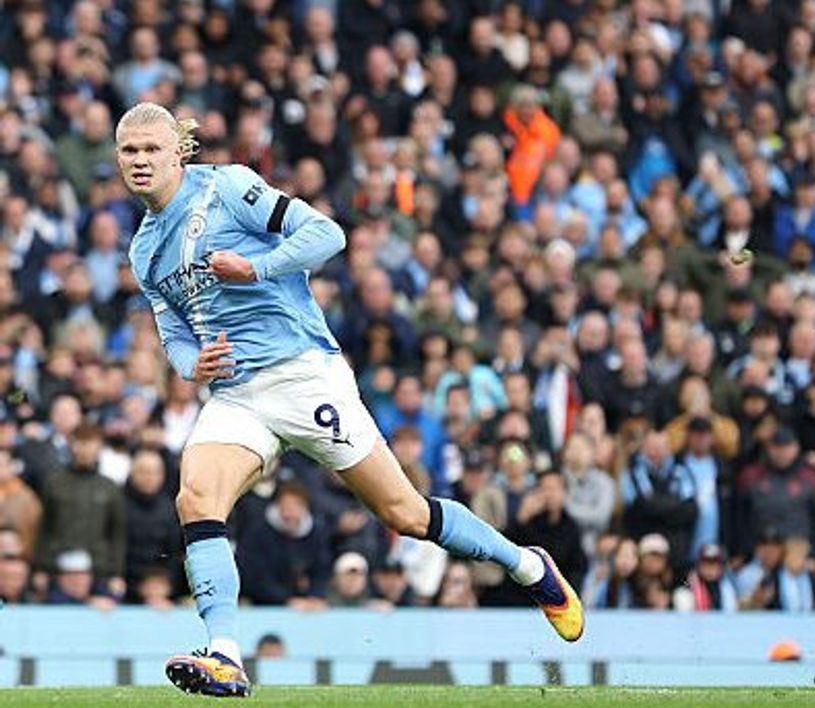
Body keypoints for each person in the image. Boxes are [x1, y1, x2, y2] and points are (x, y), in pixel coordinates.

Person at [118, 102, 583, 698]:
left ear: (178, 151)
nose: (139, 161)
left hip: (303, 375)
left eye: (151, 149)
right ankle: (226, 655)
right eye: (129, 151)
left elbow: (327, 235)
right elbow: (173, 334)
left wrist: (256, 269)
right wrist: (192, 365)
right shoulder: (143, 248)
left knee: (405, 515)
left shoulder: (228, 188)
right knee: (195, 497)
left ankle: (528, 566)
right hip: (236, 394)